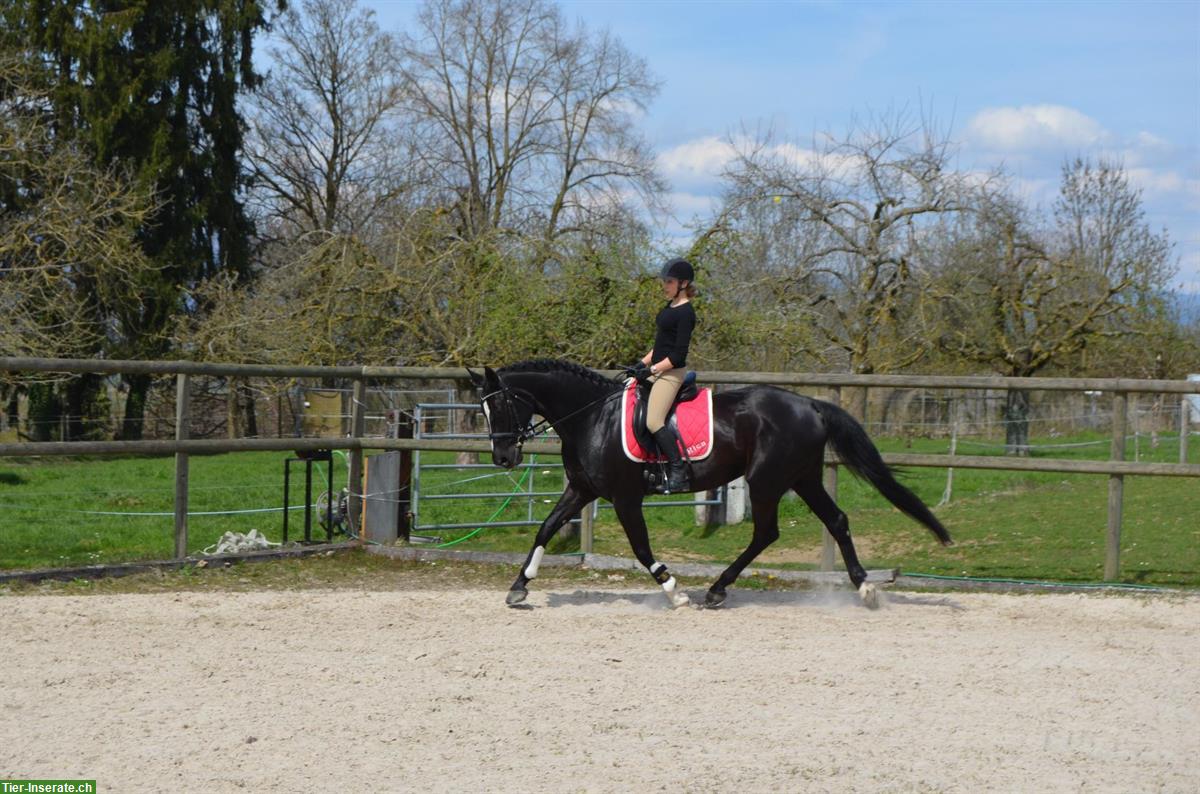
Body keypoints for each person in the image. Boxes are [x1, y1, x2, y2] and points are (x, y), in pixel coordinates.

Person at [638, 257, 697, 493]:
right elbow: (660, 346)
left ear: (683, 284)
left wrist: (651, 370)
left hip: (671, 373)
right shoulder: (669, 307)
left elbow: (677, 356)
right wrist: (640, 363)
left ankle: (678, 470)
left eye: (669, 281)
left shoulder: (686, 313)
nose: (665, 285)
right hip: (658, 367)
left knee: (653, 420)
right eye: (665, 280)